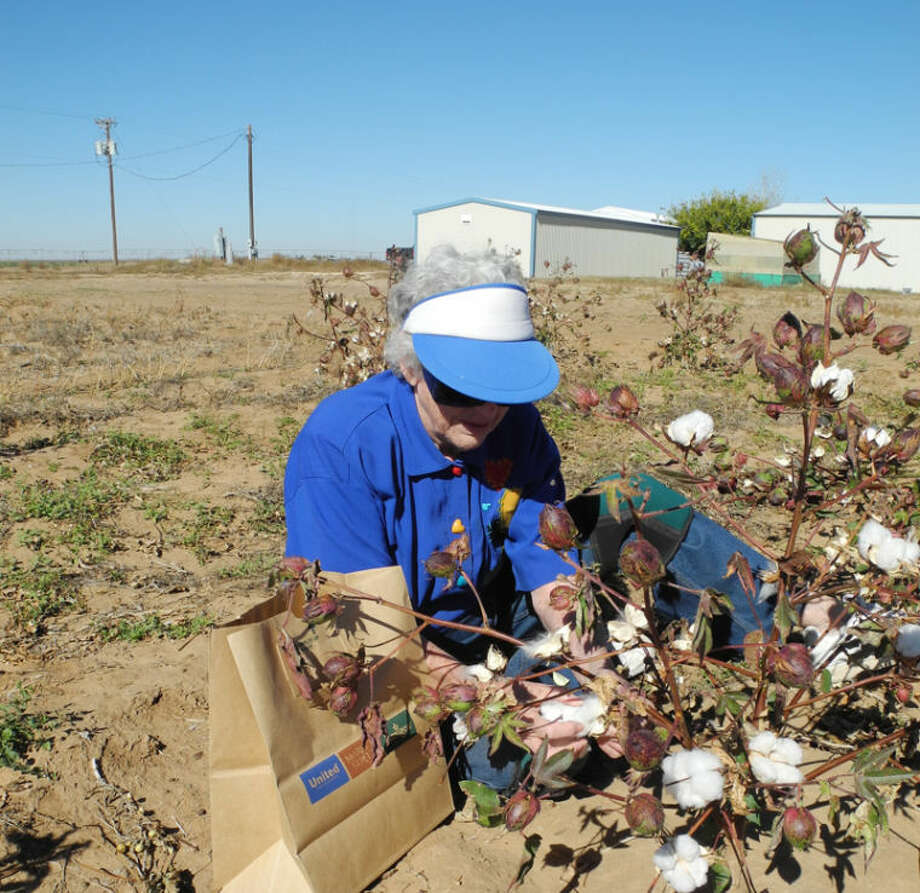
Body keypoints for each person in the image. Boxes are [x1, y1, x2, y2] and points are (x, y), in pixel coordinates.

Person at [285, 244, 617, 790]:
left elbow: (549, 569)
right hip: (397, 652)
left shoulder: (518, 428)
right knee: (501, 765)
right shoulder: (342, 447)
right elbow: (355, 628)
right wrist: (498, 702)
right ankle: (531, 701)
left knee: (640, 512)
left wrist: (603, 680)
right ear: (409, 367)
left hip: (491, 614)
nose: (487, 412)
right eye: (463, 388)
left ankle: (805, 620)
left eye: (502, 390)